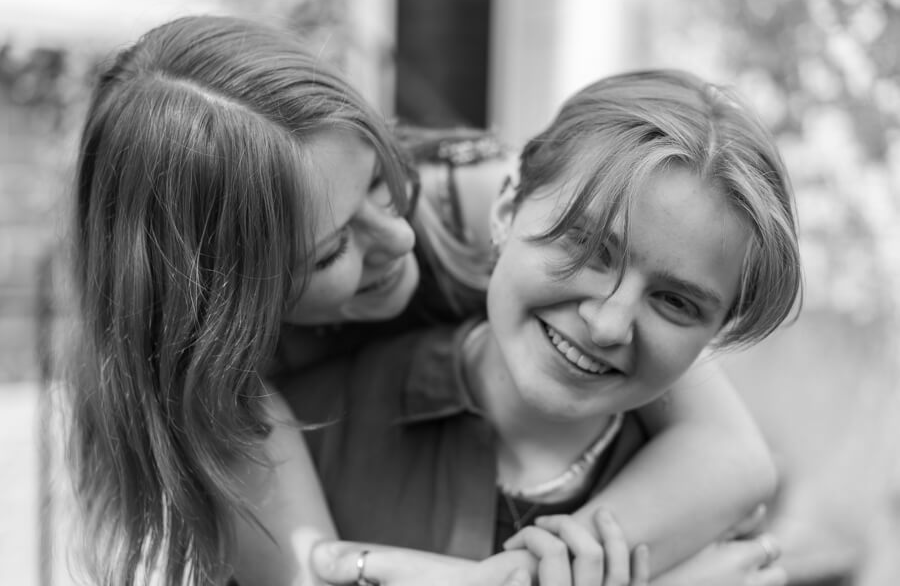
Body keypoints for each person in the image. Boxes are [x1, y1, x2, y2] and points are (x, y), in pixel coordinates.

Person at [65, 14, 780, 586]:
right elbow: (315, 574)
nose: (401, 239)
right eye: (331, 250)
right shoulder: (220, 397)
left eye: (382, 181)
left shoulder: (474, 196)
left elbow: (732, 457)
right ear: (226, 301)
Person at [275, 69, 802, 586]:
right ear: (506, 209)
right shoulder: (304, 431)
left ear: (715, 330)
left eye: (675, 302)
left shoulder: (710, 527)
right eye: (592, 250)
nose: (608, 324)